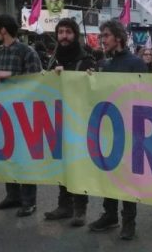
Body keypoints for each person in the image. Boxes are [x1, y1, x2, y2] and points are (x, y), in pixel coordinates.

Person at [88, 19, 147, 240]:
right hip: (108, 128)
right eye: (101, 36)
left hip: (130, 128)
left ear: (118, 38)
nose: (102, 40)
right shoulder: (104, 64)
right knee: (109, 174)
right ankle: (110, 215)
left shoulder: (136, 64)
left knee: (127, 178)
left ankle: (128, 221)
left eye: (105, 36)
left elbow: (144, 95)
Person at [0, 14, 43, 217]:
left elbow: (36, 81)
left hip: (24, 113)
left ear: (3, 30)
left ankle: (29, 200)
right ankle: (13, 195)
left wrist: (7, 76)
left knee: (24, 158)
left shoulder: (27, 52)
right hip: (4, 112)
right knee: (8, 155)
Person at [43, 18, 95, 226]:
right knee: (63, 165)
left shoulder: (86, 59)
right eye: (61, 32)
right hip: (58, 119)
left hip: (80, 120)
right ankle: (64, 205)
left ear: (76, 35)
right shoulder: (52, 59)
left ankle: (80, 209)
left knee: (78, 164)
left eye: (68, 32)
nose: (64, 36)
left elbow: (90, 89)